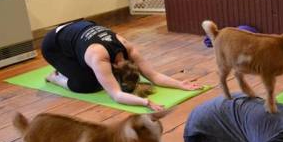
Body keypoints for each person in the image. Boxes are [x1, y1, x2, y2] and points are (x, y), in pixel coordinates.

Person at [41, 20, 202, 111]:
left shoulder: (128, 48)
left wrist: (180, 84)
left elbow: (154, 76)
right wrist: (146, 103)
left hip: (80, 29)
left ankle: (72, 66)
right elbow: (116, 95)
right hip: (54, 45)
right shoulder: (99, 58)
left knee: (98, 77)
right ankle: (55, 77)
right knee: (88, 84)